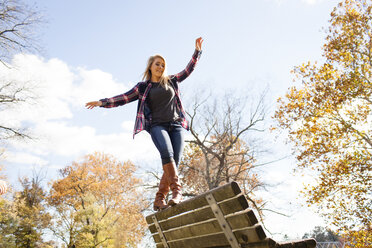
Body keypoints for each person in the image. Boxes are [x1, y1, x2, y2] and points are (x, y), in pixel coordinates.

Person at [85, 37, 203, 211]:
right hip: (157, 126)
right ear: (150, 66)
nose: (160, 67)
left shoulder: (171, 80)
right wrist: (102, 102)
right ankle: (177, 192)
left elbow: (188, 70)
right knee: (167, 153)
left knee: (174, 163)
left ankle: (159, 199)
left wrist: (197, 52)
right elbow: (123, 98)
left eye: (163, 65)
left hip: (176, 125)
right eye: (157, 64)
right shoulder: (143, 87)